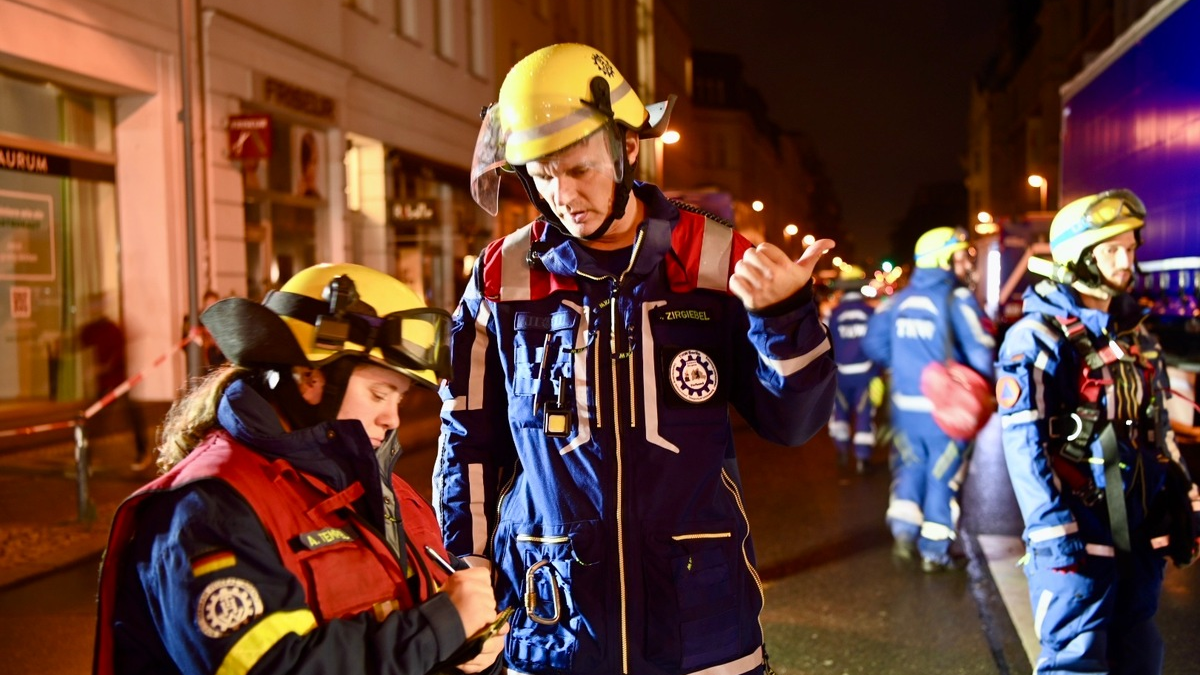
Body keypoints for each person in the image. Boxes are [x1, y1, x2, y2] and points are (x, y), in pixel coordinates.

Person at [437, 43, 837, 675]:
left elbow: (793, 424)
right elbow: (469, 444)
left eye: (579, 169)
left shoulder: (713, 260)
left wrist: (784, 317)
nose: (562, 194)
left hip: (700, 627)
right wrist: (468, 573)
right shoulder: (501, 278)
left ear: (626, 148)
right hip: (553, 625)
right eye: (541, 175)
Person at [92, 263, 507, 675]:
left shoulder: (391, 494)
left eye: (398, 399)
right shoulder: (209, 510)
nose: (392, 419)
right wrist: (440, 628)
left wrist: (467, 651)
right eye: (379, 393)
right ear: (310, 378)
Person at [995, 190, 1200, 674]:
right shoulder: (1037, 336)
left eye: (1130, 248)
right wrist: (1054, 534)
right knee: (1077, 661)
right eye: (1112, 249)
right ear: (1080, 256)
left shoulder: (1137, 336)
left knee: (1141, 657)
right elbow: (1025, 446)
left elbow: (1160, 429)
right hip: (1077, 543)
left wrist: (1186, 501)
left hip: (1138, 538)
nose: (1127, 260)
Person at [861, 226, 995, 572]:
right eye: (962, 256)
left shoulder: (897, 300)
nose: (967, 263)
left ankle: (904, 531)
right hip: (944, 415)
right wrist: (983, 392)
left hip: (905, 410)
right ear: (945, 260)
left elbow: (873, 345)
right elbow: (981, 353)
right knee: (943, 476)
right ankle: (934, 551)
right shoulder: (956, 300)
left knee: (910, 467)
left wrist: (905, 367)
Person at [827, 264, 883, 474]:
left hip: (840, 374)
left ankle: (841, 452)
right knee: (863, 413)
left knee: (840, 412)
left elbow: (827, 344)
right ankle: (862, 458)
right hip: (865, 374)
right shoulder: (871, 312)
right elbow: (877, 344)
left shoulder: (833, 314)